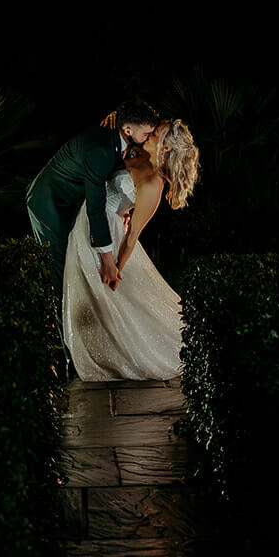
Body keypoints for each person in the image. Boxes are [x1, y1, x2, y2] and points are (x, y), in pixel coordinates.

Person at [63, 118, 199, 381]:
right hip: (89, 220)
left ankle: (121, 355)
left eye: (154, 134)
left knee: (108, 296)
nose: (147, 136)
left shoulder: (153, 184)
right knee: (85, 288)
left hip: (110, 236)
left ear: (167, 148)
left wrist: (116, 266)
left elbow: (134, 233)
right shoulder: (138, 153)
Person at [27, 99, 160, 362]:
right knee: (60, 270)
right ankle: (67, 354)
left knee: (76, 268)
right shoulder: (100, 148)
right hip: (49, 203)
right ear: (127, 130)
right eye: (146, 132)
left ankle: (84, 343)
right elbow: (96, 207)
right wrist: (109, 261)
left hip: (70, 203)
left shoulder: (120, 144)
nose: (150, 137)